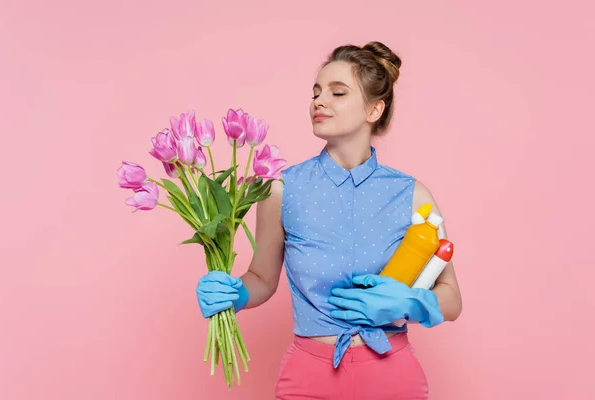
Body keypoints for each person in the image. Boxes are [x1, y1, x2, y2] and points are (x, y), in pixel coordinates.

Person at [196, 41, 463, 399]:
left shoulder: (413, 195)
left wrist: (409, 303)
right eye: (316, 93)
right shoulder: (280, 189)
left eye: (338, 93)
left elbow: (451, 298)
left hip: (392, 375)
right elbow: (261, 278)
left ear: (374, 109)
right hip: (308, 377)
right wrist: (234, 293)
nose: (319, 102)